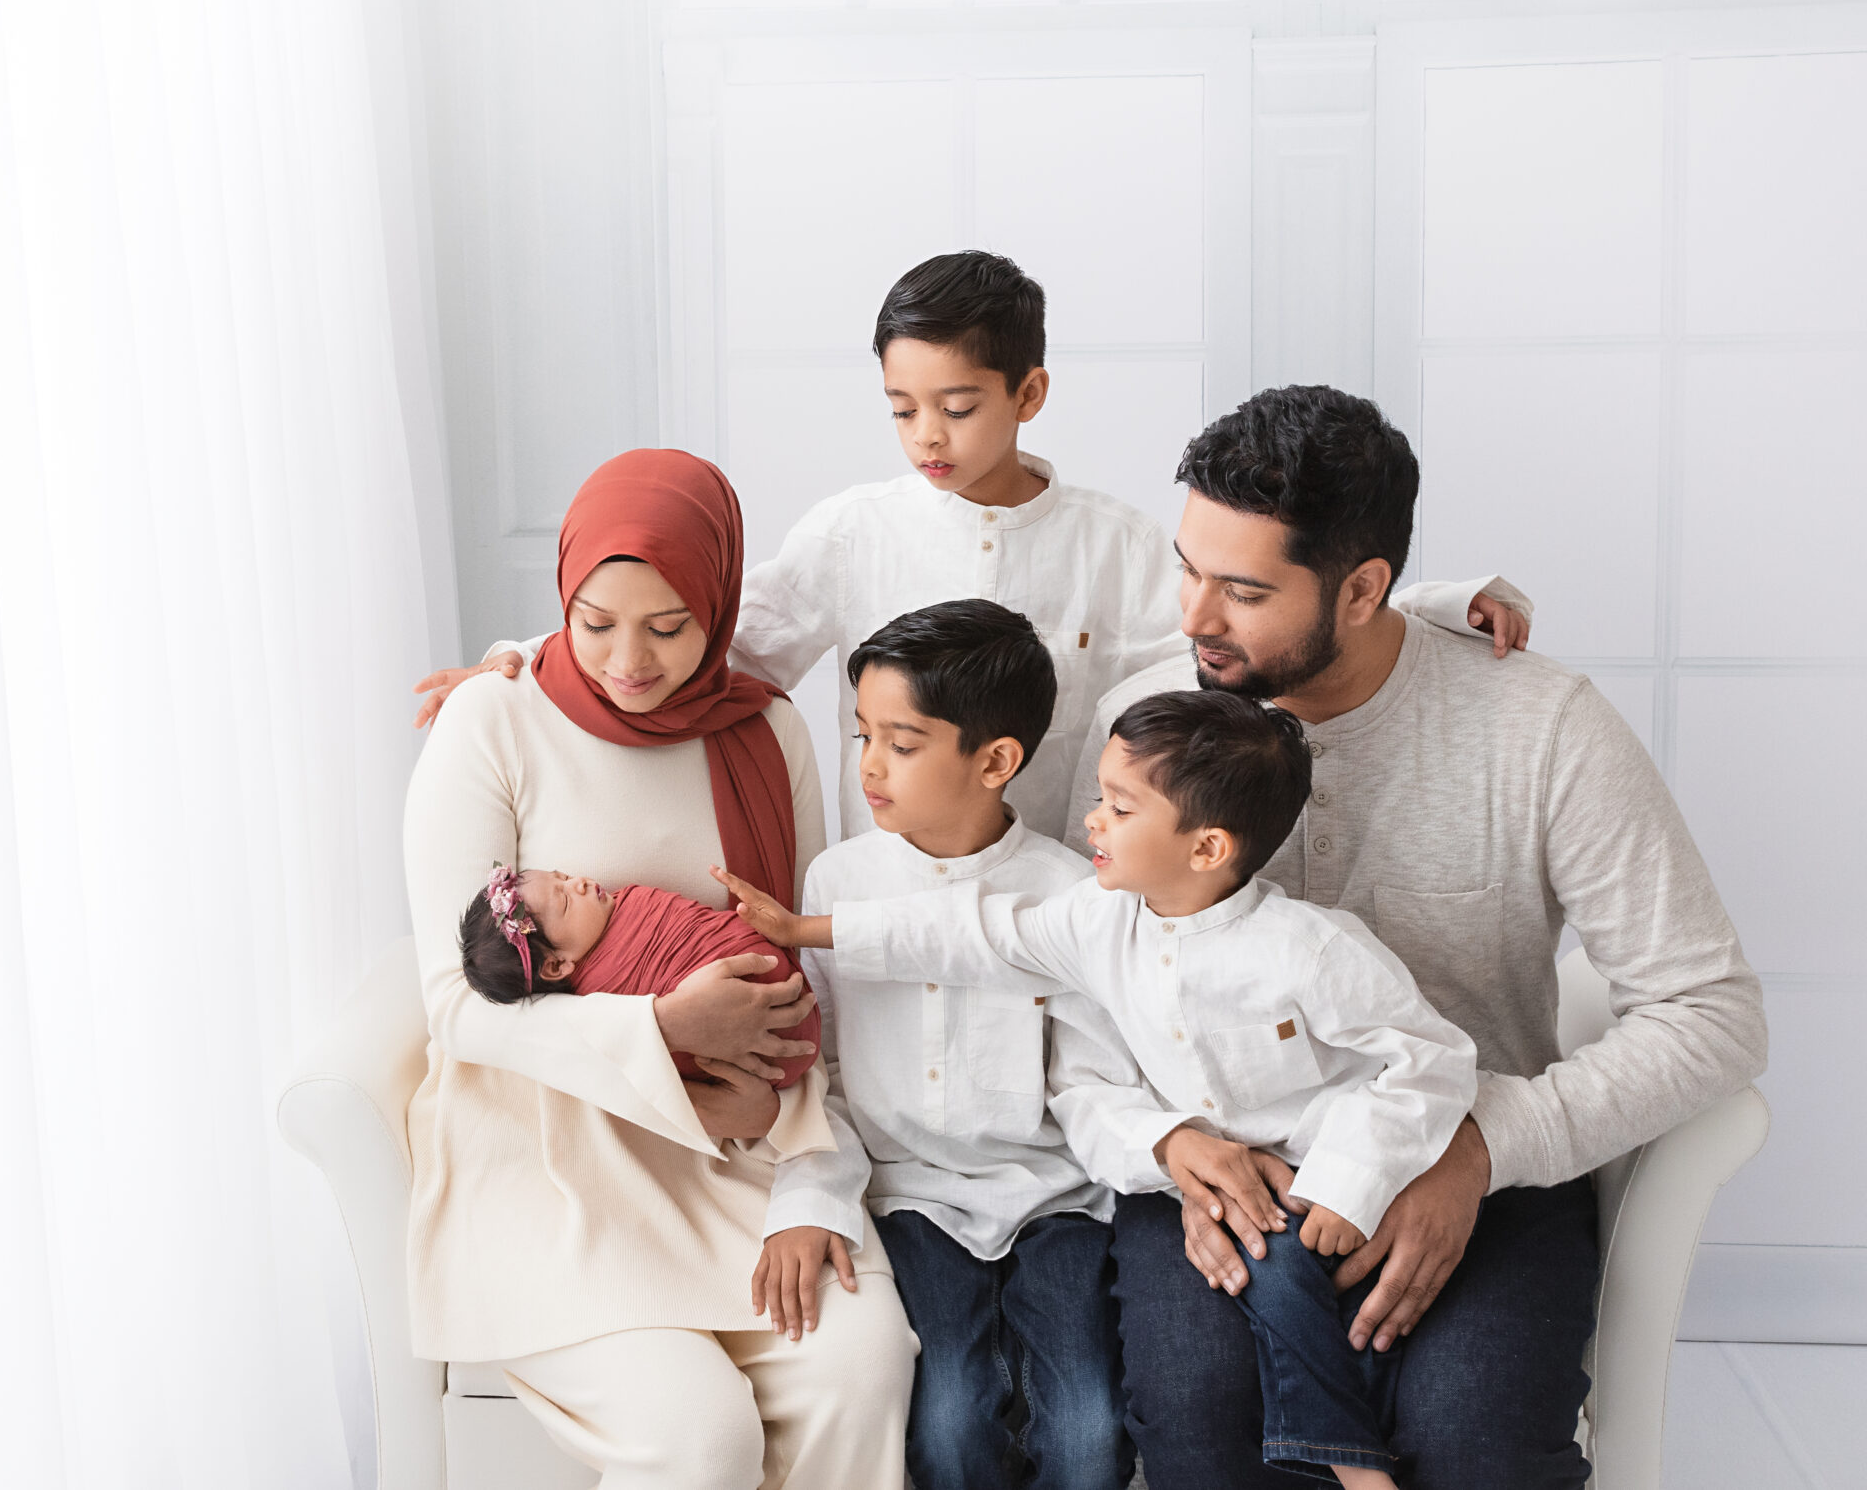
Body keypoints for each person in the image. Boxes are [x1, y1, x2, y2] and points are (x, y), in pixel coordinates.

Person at [1065, 386, 1767, 1489]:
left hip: (1470, 1161)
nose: (1194, 617)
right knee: (1204, 1432)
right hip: (1228, 1166)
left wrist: (1484, 1147)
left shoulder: (1540, 728)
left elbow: (1711, 1013)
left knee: (1470, 1447)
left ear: (1361, 588)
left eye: (1243, 590)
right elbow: (1080, 985)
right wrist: (1164, 1145)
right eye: (1188, 567)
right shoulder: (1151, 721)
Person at [415, 252, 1532, 836]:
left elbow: (1251, 624)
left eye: (956, 405)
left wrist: (1426, 603)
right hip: (887, 898)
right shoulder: (854, 532)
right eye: (901, 408)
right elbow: (709, 647)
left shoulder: (1115, 542)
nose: (927, 437)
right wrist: (526, 665)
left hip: (1057, 907)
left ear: (1029, 390)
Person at [727, 690, 1481, 1489]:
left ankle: (1351, 1462)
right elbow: (973, 932)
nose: (1091, 819)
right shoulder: (1098, 919)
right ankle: (1349, 1456)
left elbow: (1432, 1059)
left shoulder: (1310, 950)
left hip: (1317, 1167)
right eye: (1099, 796)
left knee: (1286, 1269)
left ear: (1208, 847)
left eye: (1119, 807)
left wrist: (1348, 1185)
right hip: (1213, 1179)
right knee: (1267, 1268)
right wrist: (810, 931)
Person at [402, 447, 916, 1490]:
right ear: (562, 597)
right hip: (546, 1158)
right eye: (594, 624)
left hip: (732, 1148)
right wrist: (663, 1031)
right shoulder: (491, 719)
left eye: (669, 627)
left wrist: (807, 1180)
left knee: (859, 1370)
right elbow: (458, 1007)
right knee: (696, 1436)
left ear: (719, 605)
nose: (628, 661)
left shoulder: (764, 732)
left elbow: (802, 977)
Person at [752, 599, 1137, 1490]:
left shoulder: (1068, 893)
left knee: (1090, 1432)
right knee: (950, 1423)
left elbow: (1092, 1078)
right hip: (910, 1198)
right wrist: (806, 1199)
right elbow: (823, 1078)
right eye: (862, 735)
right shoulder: (837, 880)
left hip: (1057, 1202)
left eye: (904, 741)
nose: (870, 767)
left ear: (996, 760)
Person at [458, 864, 820, 1088]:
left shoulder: (617, 909)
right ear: (556, 965)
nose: (579, 883)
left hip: (783, 983)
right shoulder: (604, 1002)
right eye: (566, 900)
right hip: (772, 1036)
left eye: (564, 877)